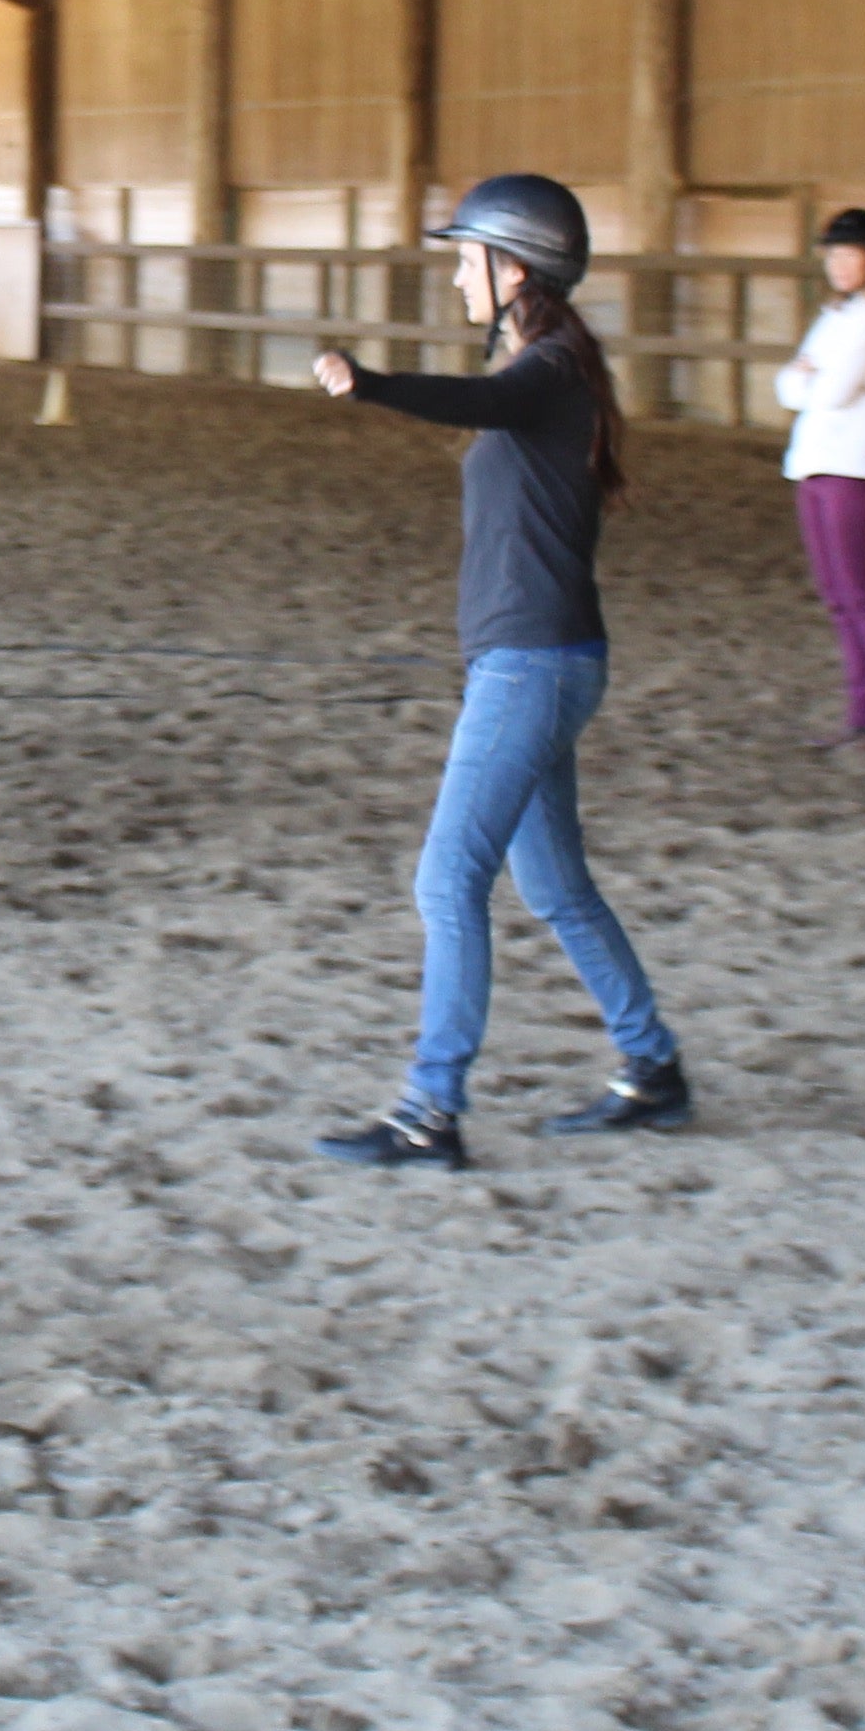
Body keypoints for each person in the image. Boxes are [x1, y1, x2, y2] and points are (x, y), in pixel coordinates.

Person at [299, 173, 688, 1167]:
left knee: (446, 881)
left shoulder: (550, 370)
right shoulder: (553, 364)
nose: (456, 277)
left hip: (533, 666)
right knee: (554, 885)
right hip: (537, 661)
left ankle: (431, 1109)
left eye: (465, 259)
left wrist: (371, 381)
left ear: (515, 267)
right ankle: (652, 1068)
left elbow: (483, 398)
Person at [776, 207, 865, 750]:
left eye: (849, 254)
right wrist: (806, 382)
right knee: (839, 596)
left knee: (862, 594)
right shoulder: (836, 315)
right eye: (833, 255)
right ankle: (864, 710)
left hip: (854, 468)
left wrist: (807, 380)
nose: (838, 264)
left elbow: (821, 391)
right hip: (815, 462)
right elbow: (787, 386)